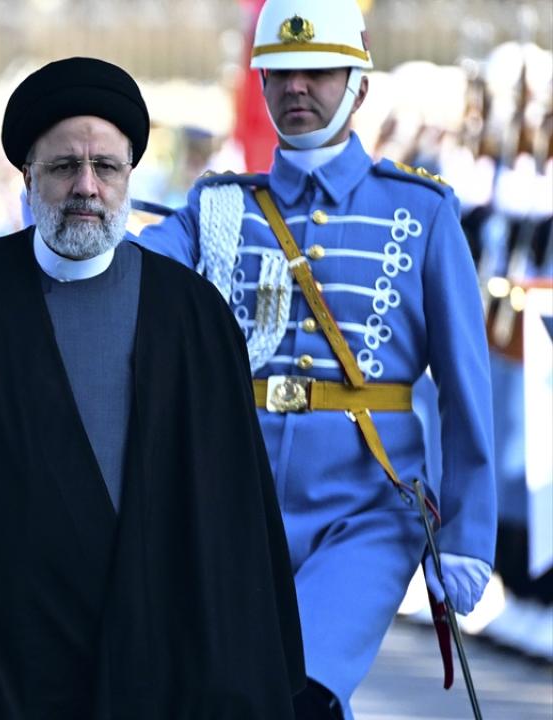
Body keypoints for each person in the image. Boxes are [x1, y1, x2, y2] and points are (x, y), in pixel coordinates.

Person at [0, 56, 305, 720]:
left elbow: (235, 515)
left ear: (129, 175)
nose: (86, 187)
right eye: (63, 167)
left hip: (153, 662)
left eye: (105, 167)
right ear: (27, 176)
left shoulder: (193, 317)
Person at [136, 1, 496, 717]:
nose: (295, 87)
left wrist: (467, 533)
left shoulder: (422, 212)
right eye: (278, 73)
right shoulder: (220, 207)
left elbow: (465, 386)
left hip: (370, 509)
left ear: (358, 86)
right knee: (244, 697)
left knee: (303, 688)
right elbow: (132, 276)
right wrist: (77, 222)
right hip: (235, 504)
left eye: (318, 72)